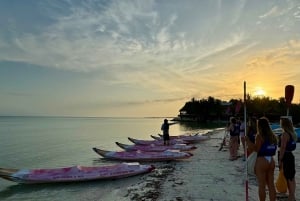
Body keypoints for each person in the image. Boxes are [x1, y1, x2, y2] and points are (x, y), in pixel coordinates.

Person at [246, 117, 277, 201]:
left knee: (262, 185)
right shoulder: (273, 136)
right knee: (271, 185)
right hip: (271, 160)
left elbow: (256, 149)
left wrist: (248, 141)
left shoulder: (259, 136)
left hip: (262, 160)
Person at [278, 117, 297, 201]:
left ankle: (291, 196)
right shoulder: (292, 133)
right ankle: (292, 195)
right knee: (291, 177)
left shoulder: (285, 134)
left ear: (283, 124)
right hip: (290, 155)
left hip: (286, 156)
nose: (280, 124)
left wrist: (280, 159)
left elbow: (283, 147)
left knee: (288, 176)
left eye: (281, 123)